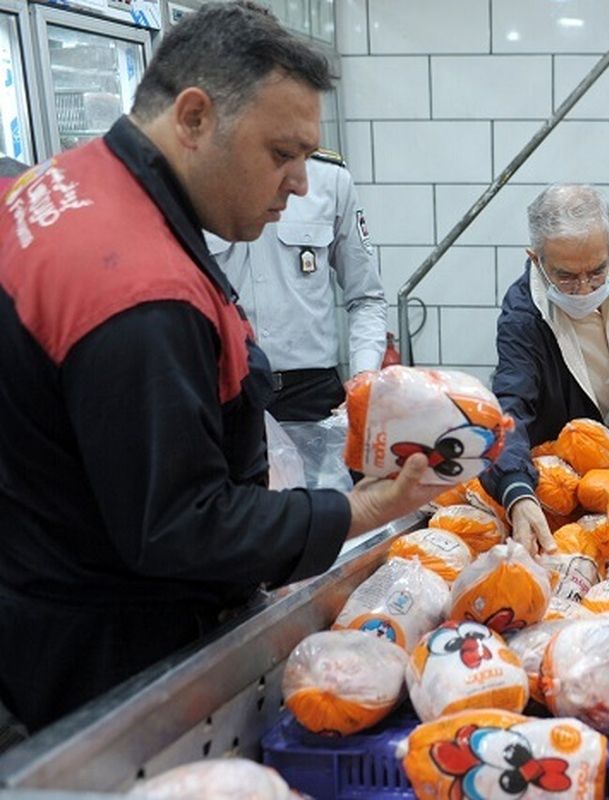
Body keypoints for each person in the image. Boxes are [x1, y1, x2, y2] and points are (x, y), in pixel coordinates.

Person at [0, 2, 440, 731]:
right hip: (110, 658)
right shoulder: (137, 291)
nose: (301, 183)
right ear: (195, 117)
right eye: (281, 154)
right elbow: (180, 526)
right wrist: (363, 508)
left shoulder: (66, 184)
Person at [483, 184, 609, 554]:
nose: (584, 288)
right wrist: (516, 489)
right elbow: (509, 408)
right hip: (570, 479)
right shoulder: (525, 317)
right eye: (566, 276)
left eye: (596, 271)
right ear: (536, 258)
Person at [206, 151, 387, 490]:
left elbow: (367, 298)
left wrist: (364, 377)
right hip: (227, 393)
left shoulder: (328, 179)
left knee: (331, 527)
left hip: (312, 399)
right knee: (237, 527)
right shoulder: (201, 181)